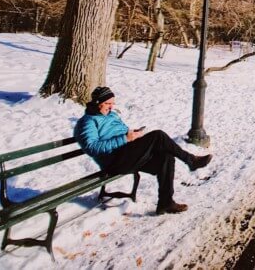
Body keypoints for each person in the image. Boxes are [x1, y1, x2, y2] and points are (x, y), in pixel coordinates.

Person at [74, 86, 212, 215]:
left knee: (166, 157)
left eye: (112, 103)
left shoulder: (112, 115)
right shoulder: (88, 122)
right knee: (158, 135)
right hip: (114, 162)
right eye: (108, 103)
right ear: (98, 103)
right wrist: (125, 139)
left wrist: (133, 134)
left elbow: (122, 133)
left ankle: (166, 203)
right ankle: (191, 160)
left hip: (127, 153)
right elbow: (92, 148)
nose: (111, 107)